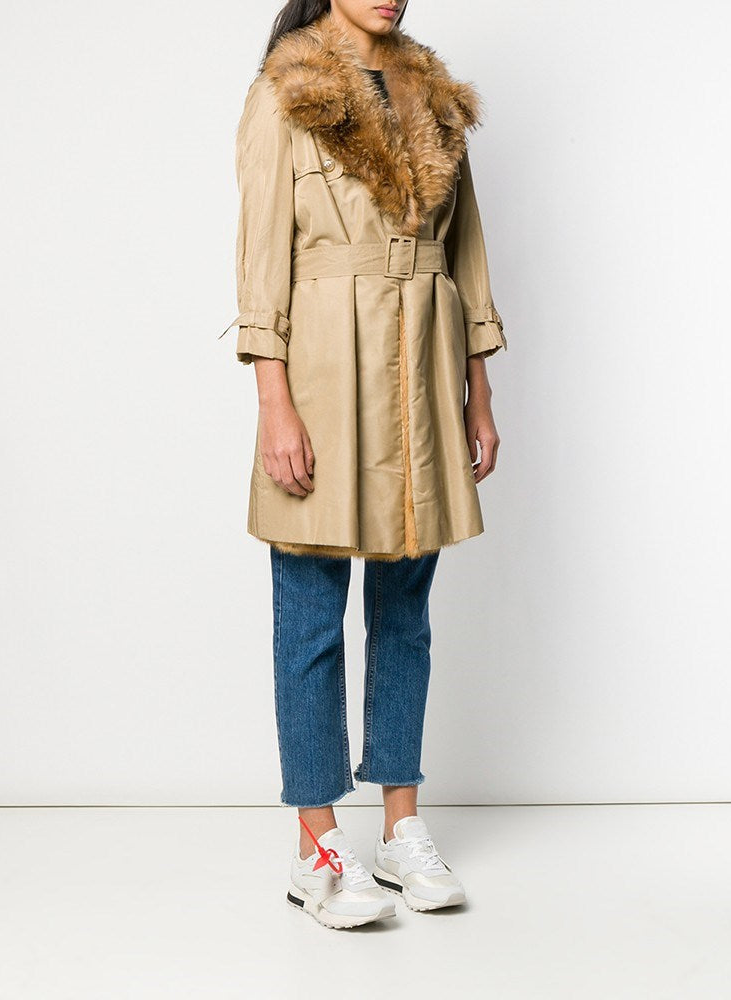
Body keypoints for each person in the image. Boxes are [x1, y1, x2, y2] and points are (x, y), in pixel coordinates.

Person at [221, 0, 506, 929]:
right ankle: (317, 847)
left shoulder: (434, 95)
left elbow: (466, 251)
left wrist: (479, 389)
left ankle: (401, 830)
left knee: (405, 607)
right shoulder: (284, 91)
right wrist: (273, 404)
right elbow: (261, 256)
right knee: (310, 611)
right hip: (322, 372)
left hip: (421, 369)